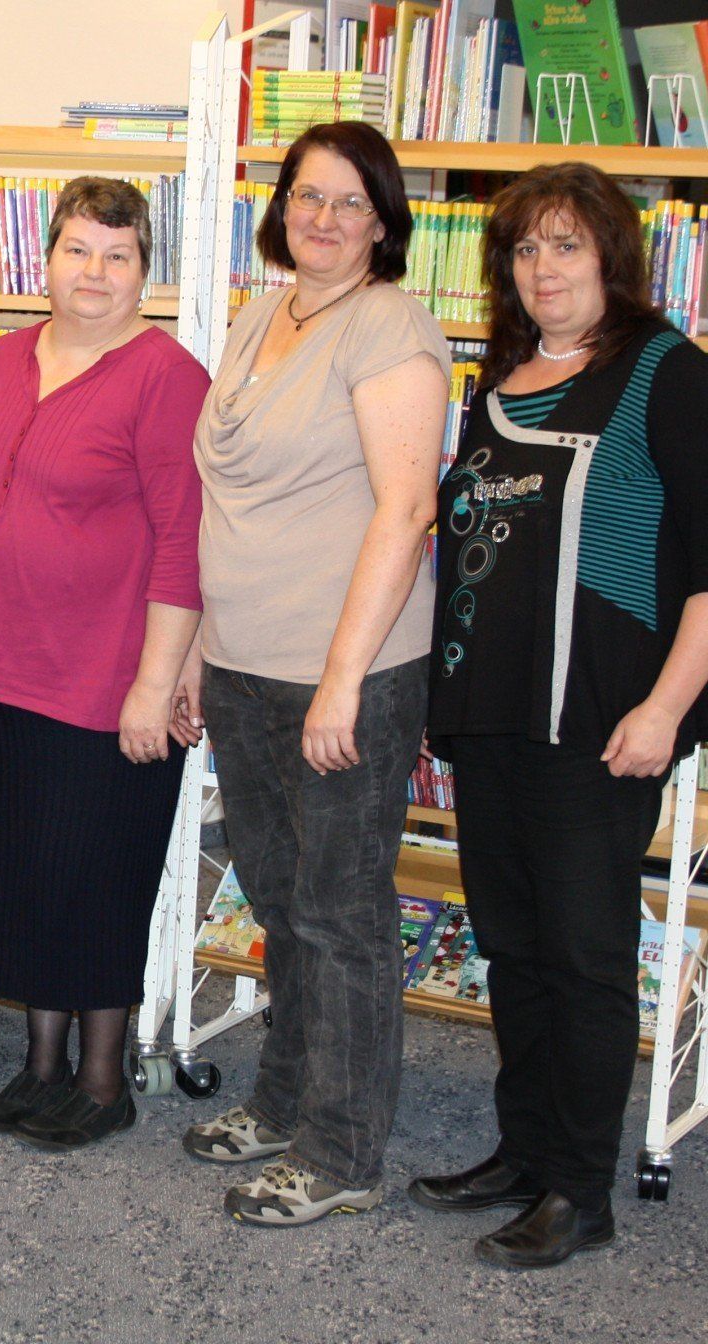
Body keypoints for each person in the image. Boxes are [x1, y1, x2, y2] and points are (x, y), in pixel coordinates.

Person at [409, 163, 708, 1269]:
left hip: (600, 727)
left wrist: (664, 709)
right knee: (514, 950)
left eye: (566, 246)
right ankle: (524, 1153)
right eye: (526, 249)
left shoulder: (665, 375)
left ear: (611, 257)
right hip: (492, 721)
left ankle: (580, 1192)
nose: (543, 269)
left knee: (583, 960)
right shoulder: (500, 377)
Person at [176, 121, 449, 1225]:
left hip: (346, 674)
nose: (324, 219)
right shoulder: (263, 313)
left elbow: (407, 506)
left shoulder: (388, 329)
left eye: (349, 203)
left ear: (382, 222)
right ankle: (286, 1099)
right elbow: (224, 502)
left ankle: (341, 1154)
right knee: (281, 903)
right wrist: (199, 646)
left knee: (340, 915)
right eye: (307, 197)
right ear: (280, 207)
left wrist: (342, 681)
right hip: (244, 665)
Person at [0, 178, 208, 1151]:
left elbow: (186, 540)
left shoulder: (167, 376)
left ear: (145, 271)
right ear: (45, 259)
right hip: (4, 665)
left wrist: (156, 677)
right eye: (77, 250)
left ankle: (101, 1081)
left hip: (109, 677)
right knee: (21, 871)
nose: (92, 272)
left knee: (98, 876)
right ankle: (40, 1066)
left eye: (117, 254)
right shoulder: (8, 357)